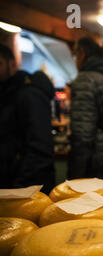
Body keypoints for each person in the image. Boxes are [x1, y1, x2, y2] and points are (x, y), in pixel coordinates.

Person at [0, 43, 55, 194]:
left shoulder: (29, 94)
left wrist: (20, 188)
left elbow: (40, 146)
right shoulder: (7, 94)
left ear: (12, 64)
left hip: (25, 187)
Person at [68, 35, 103, 180]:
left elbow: (83, 133)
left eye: (75, 55)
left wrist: (75, 174)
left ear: (82, 53)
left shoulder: (85, 80)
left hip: (95, 161)